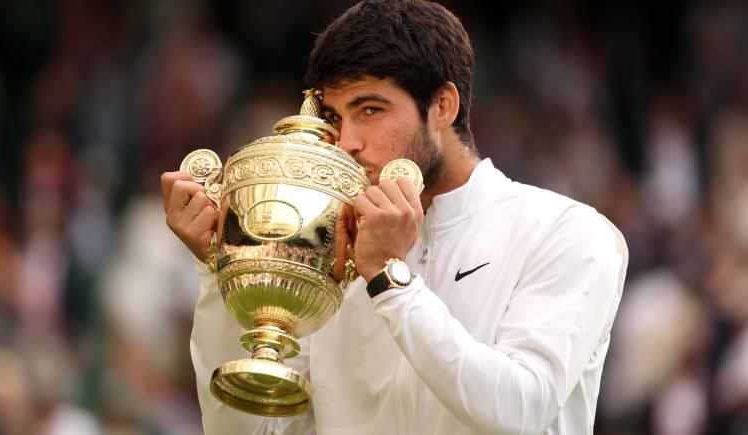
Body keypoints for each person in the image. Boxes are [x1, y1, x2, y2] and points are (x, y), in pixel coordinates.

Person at [160, 1, 628, 433]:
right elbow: (246, 429)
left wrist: (389, 280)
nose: (347, 143)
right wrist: (223, 274)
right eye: (336, 117)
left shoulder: (567, 230)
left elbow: (522, 410)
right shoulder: (327, 250)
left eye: (370, 109)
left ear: (443, 106)